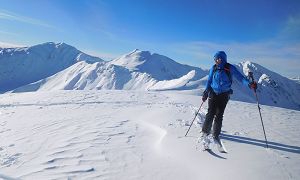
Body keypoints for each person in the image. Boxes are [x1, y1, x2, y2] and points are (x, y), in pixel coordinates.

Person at [201, 51, 257, 149]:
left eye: (218, 58)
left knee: (219, 114)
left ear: (222, 58)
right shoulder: (213, 68)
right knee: (210, 113)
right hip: (213, 93)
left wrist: (249, 84)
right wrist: (206, 91)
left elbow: (241, 78)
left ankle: (215, 134)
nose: (216, 60)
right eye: (215, 59)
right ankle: (205, 132)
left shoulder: (229, 68)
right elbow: (209, 81)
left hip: (224, 95)